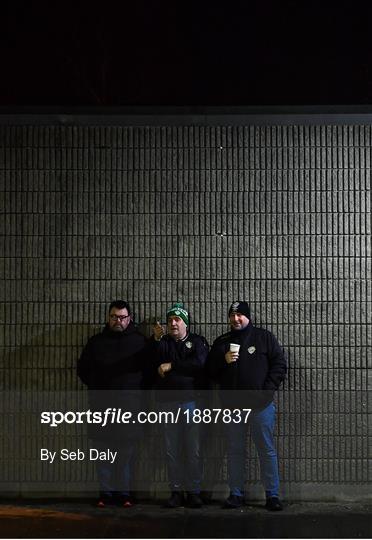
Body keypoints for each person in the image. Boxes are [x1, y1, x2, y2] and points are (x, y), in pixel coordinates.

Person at [208, 301, 287, 511]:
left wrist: (265, 393)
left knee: (266, 450)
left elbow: (279, 365)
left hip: (261, 407)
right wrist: (223, 360)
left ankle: (272, 495)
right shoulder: (222, 342)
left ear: (248, 317)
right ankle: (236, 494)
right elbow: (210, 373)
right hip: (232, 409)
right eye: (232, 316)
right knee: (235, 451)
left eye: (240, 315)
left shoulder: (264, 338)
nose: (236, 319)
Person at [77, 300, 147, 508]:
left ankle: (124, 494)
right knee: (103, 454)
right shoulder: (96, 342)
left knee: (125, 455)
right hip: (101, 407)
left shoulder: (139, 342)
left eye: (122, 317)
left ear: (129, 319)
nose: (118, 321)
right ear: (108, 318)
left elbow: (149, 373)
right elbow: (83, 370)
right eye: (114, 317)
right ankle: (106, 494)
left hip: (129, 408)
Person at [151, 302, 209, 508]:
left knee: (193, 449)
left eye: (177, 319)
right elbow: (153, 365)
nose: (173, 323)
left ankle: (194, 491)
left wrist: (172, 366)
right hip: (167, 404)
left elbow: (199, 364)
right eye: (170, 320)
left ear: (186, 323)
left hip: (191, 403)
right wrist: (156, 339)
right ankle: (176, 491)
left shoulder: (197, 342)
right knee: (171, 450)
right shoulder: (163, 342)